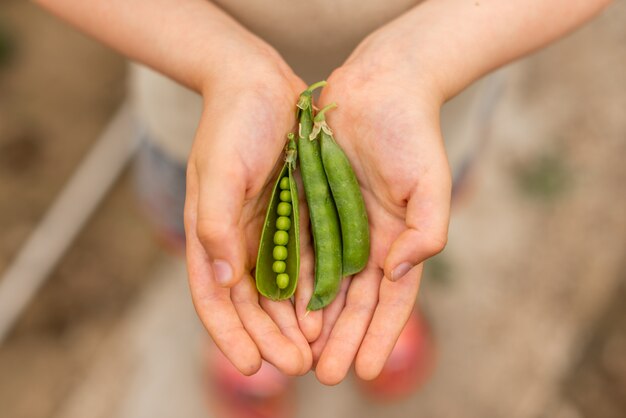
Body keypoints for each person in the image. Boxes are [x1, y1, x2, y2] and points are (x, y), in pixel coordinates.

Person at [35, 0, 612, 390]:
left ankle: (369, 310)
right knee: (217, 242)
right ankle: (247, 333)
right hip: (198, 116)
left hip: (425, 110)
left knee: (404, 227)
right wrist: (219, 62)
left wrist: (427, 58)